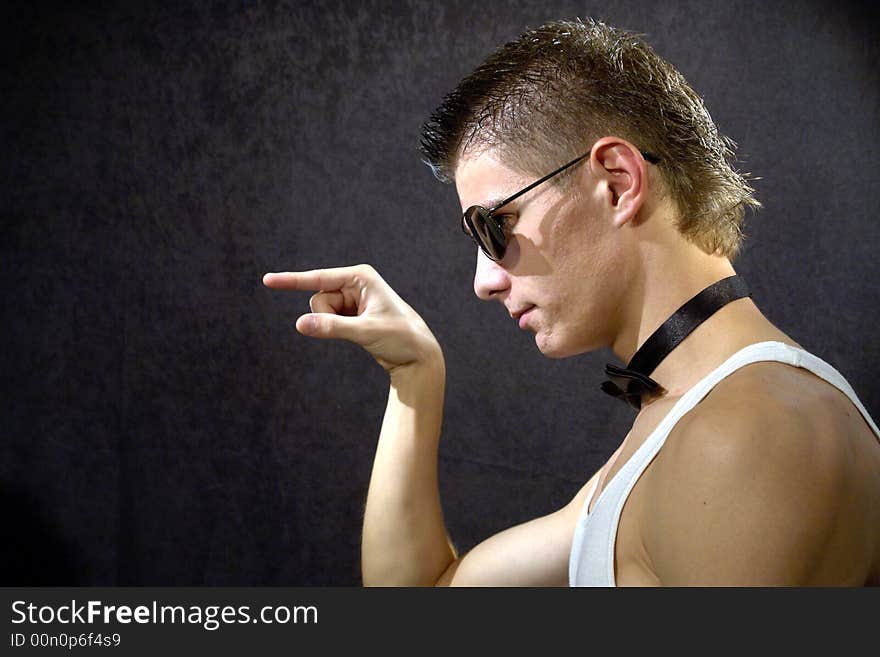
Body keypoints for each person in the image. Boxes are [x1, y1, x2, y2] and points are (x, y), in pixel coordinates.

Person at [263, 19, 880, 586]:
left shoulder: (745, 437)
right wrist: (413, 376)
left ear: (617, 182)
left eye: (494, 229)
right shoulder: (685, 427)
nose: (483, 281)